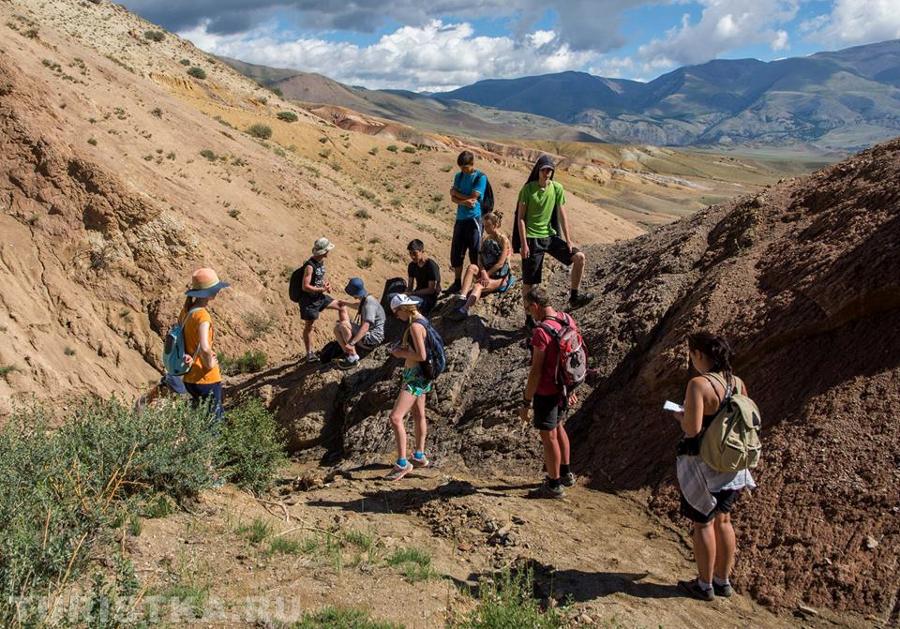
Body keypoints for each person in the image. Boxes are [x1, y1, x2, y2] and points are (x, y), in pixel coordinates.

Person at [674, 332, 756, 601]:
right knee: (724, 520)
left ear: (698, 354)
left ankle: (704, 585)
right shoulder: (738, 382)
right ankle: (723, 581)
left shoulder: (698, 384)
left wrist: (680, 414)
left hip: (703, 464)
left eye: (691, 354)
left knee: (703, 524)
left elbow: (692, 429)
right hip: (731, 464)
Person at [513, 155, 594, 328]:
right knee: (529, 282)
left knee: (579, 257)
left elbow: (562, 214)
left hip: (550, 237)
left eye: (550, 170)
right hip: (532, 239)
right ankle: (528, 318)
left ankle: (574, 296)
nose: (547, 173)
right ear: (538, 170)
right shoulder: (528, 189)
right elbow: (520, 218)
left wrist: (568, 240)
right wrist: (524, 243)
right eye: (544, 169)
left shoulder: (557, 188)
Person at [518, 287, 578, 498]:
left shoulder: (541, 332)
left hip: (547, 390)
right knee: (559, 426)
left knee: (548, 435)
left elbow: (536, 371)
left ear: (535, 306)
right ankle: (566, 473)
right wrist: (570, 387)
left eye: (528, 308)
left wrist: (526, 401)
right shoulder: (567, 319)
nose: (529, 312)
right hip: (563, 387)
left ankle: (553, 485)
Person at [385, 294, 434, 481]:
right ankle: (419, 455)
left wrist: (399, 352)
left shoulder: (414, 326)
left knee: (396, 417)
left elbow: (421, 355)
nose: (396, 317)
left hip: (415, 377)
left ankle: (402, 463)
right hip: (422, 375)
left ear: (403, 309)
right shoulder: (423, 321)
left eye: (396, 312)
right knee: (419, 414)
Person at [179, 267, 229, 421]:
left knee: (198, 422)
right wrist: (210, 364)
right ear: (210, 292)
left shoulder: (186, 311)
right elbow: (205, 347)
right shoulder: (203, 316)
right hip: (206, 378)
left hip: (189, 378)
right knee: (214, 421)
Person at [448, 211, 514, 321]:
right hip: (487, 272)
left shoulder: (504, 240)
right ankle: (462, 298)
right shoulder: (486, 239)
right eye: (484, 226)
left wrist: (486, 275)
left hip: (499, 277)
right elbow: (480, 259)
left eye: (488, 226)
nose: (486, 228)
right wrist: (483, 272)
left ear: (495, 225)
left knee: (478, 286)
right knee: (471, 268)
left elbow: (500, 263)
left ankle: (464, 310)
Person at [445, 150, 487, 295]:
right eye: (461, 167)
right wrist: (461, 199)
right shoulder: (459, 176)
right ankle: (457, 282)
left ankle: (475, 282)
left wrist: (456, 194)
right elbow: (455, 199)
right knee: (457, 252)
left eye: (465, 167)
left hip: (474, 219)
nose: (463, 170)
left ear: (472, 164)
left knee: (475, 250)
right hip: (461, 218)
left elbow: (473, 199)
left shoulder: (480, 178)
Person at [298, 237, 341, 362]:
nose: (329, 252)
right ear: (323, 251)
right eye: (328, 250)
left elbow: (318, 278)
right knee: (309, 327)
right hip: (309, 302)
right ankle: (309, 354)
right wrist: (320, 289)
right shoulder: (309, 266)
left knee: (341, 306)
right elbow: (305, 286)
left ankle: (346, 337)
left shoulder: (321, 262)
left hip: (320, 297)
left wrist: (325, 285)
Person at [333, 277, 386, 370]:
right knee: (337, 328)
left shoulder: (369, 303)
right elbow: (358, 306)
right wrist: (345, 303)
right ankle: (348, 354)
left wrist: (352, 343)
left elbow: (366, 326)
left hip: (371, 340)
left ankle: (353, 357)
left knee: (343, 325)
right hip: (369, 337)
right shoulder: (366, 299)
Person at [405, 239, 441, 313]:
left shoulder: (431, 265)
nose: (412, 256)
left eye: (415, 253)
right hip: (417, 294)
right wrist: (404, 294)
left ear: (422, 251)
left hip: (428, 298)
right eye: (410, 253)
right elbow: (410, 286)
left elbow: (431, 290)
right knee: (393, 295)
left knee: (409, 301)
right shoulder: (412, 265)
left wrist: (412, 293)